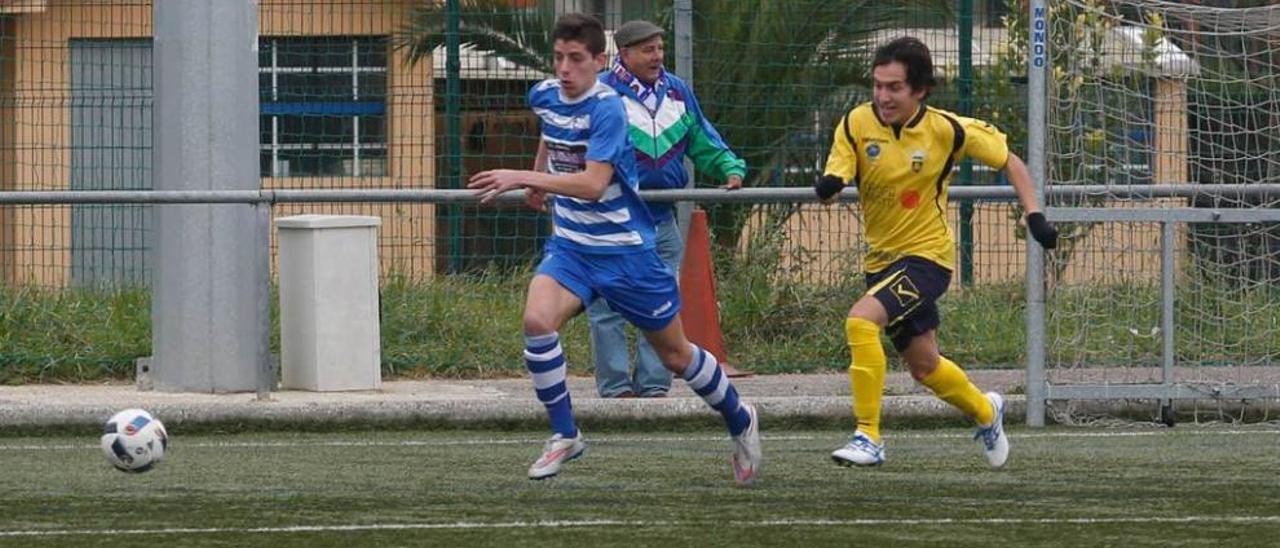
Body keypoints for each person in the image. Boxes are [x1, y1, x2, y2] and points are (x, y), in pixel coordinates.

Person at [467, 13, 761, 485]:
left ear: (599, 61)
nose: (565, 68)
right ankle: (566, 435)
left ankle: (740, 418)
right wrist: (538, 176)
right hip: (572, 248)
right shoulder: (542, 94)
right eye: (559, 58)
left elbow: (593, 182)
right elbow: (551, 131)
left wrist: (522, 177)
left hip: (626, 252)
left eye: (576, 59)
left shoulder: (609, 108)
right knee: (537, 321)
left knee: (676, 356)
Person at [814, 37, 1058, 469]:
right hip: (882, 262)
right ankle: (987, 411)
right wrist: (831, 184)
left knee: (860, 320)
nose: (883, 97)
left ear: (920, 89)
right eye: (878, 86)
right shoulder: (855, 123)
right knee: (925, 367)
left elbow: (1011, 161)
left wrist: (1034, 213)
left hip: (928, 259)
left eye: (894, 88)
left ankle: (868, 436)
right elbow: (840, 164)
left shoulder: (946, 129)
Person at [589, 19, 749, 399]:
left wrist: (730, 168)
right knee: (607, 304)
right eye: (648, 50)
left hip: (662, 220)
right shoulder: (603, 94)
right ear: (624, 55)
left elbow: (702, 138)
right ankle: (615, 389)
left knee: (661, 302)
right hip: (613, 219)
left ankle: (654, 385)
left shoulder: (677, 92)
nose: (657, 56)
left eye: (660, 48)